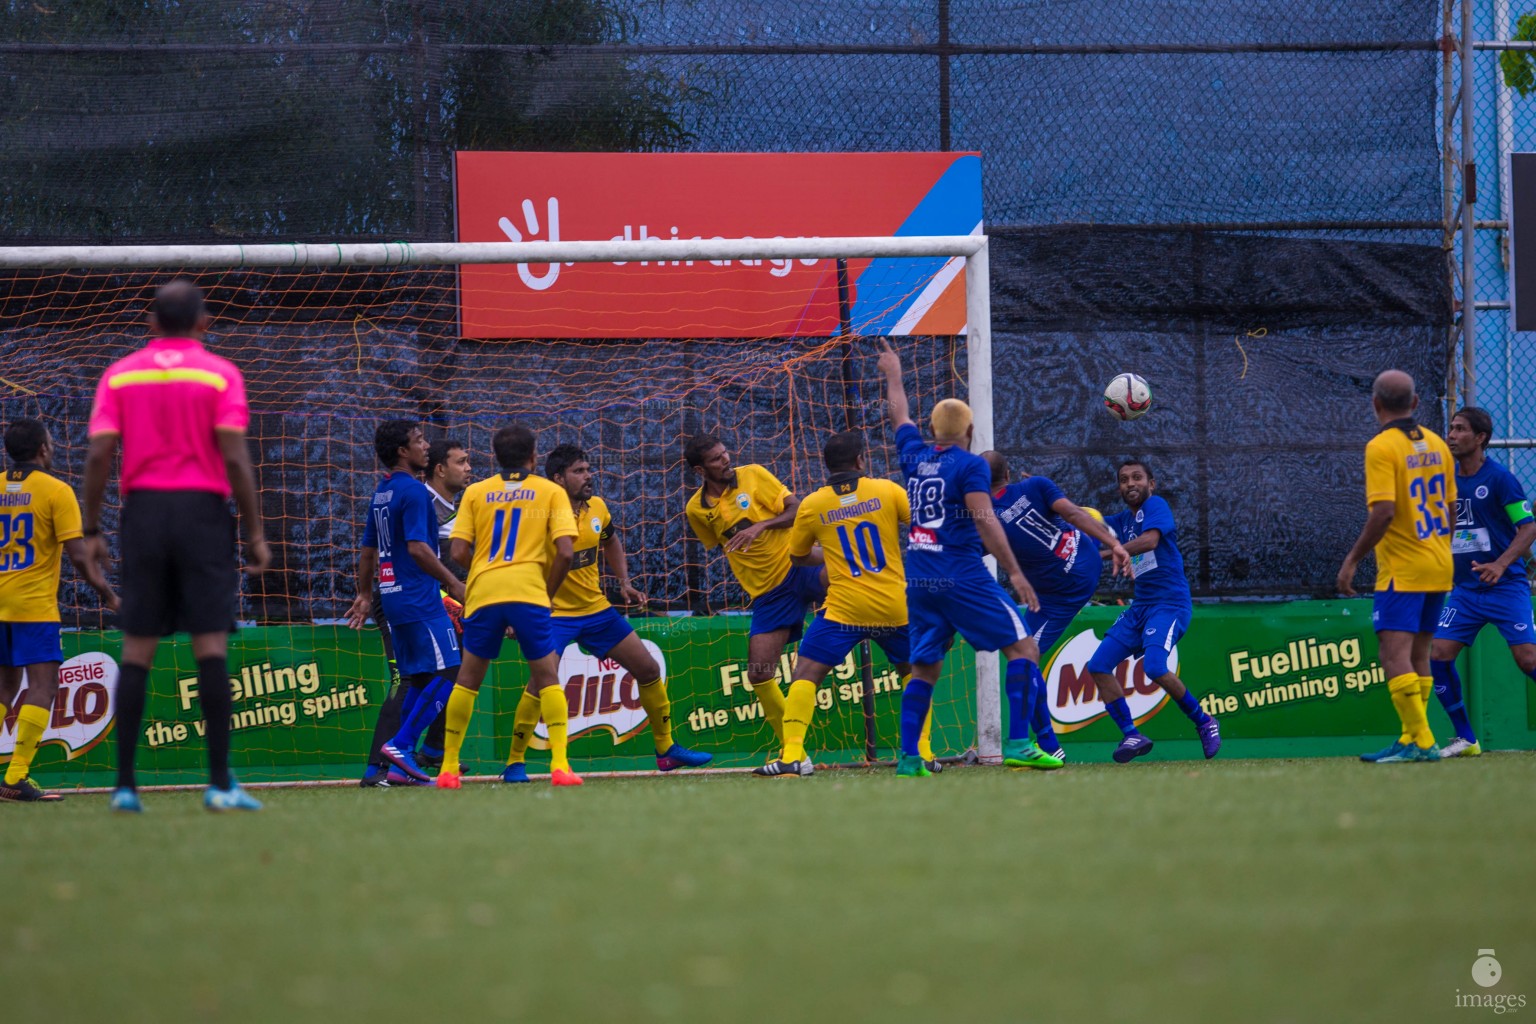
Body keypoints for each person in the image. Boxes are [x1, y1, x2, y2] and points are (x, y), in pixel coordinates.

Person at [81, 280, 270, 812]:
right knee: (209, 646)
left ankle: (123, 787)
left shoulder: (121, 373)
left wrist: (91, 530)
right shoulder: (219, 373)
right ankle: (219, 785)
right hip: (201, 514)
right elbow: (234, 458)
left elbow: (99, 456)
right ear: (203, 323)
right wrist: (254, 532)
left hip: (141, 514)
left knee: (137, 648)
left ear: (151, 321)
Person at [874, 339, 1057, 776]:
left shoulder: (913, 455)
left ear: (933, 431)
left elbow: (899, 413)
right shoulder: (971, 465)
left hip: (919, 579)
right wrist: (1014, 571)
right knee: (1024, 648)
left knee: (924, 668)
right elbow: (984, 520)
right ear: (970, 431)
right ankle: (1018, 743)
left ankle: (909, 758)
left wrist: (894, 373)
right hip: (960, 575)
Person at [499, 444, 711, 781]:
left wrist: (624, 581)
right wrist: (515, 610)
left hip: (597, 611)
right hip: (551, 615)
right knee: (542, 683)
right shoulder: (538, 513)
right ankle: (514, 762)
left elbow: (610, 540)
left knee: (648, 668)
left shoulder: (597, 507)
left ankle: (666, 750)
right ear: (557, 478)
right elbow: (514, 562)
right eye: (579, 471)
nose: (588, 476)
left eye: (588, 469)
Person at [753, 431, 910, 778]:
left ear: (826, 466)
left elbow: (797, 557)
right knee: (914, 675)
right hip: (893, 607)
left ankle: (792, 754)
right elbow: (923, 531)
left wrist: (837, 556)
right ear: (860, 461)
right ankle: (921, 753)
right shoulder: (888, 490)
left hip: (844, 609)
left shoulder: (812, 504)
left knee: (805, 675)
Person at [435, 424, 580, 788]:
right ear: (533, 456)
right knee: (547, 677)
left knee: (467, 680)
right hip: (529, 592)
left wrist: (486, 569)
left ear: (495, 456)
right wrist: (547, 592)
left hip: (484, 593)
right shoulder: (550, 490)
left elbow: (456, 551)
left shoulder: (476, 492)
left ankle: (448, 768)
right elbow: (565, 551)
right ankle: (560, 765)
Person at [1337, 369, 1455, 764]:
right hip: (1439, 563)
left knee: (1393, 653)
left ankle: (1423, 741)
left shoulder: (1382, 447)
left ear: (1375, 404)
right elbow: (1452, 508)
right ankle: (1410, 738)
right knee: (1420, 653)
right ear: (1416, 403)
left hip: (1404, 569)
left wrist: (1353, 559)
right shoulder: (1439, 444)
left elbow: (1384, 511)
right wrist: (1439, 548)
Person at [983, 450, 1131, 760]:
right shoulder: (1036, 484)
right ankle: (1109, 530)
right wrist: (1113, 543)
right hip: (1087, 555)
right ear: (1008, 475)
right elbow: (1075, 514)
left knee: (1025, 659)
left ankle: (1048, 745)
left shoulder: (985, 520)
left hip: (1063, 592)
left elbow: (969, 550)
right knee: (1084, 515)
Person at [684, 433, 825, 755]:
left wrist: (761, 526)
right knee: (759, 673)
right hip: (769, 593)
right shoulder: (695, 509)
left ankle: (906, 624)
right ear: (699, 470)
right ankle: (794, 752)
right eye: (717, 459)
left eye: (725, 453)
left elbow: (796, 509)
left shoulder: (754, 475)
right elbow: (722, 543)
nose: (726, 460)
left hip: (800, 564)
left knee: (852, 580)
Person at [0, 418, 119, 801]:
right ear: (44, 450)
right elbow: (80, 558)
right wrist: (107, 593)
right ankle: (16, 776)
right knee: (43, 686)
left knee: (3, 688)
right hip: (33, 607)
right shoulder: (56, 490)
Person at [345, 421, 466, 784]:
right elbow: (417, 548)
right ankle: (403, 745)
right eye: (419, 440)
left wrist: (366, 594)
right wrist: (454, 584)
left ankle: (398, 765)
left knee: (418, 678)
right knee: (450, 671)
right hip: (419, 598)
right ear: (402, 451)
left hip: (392, 596)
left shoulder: (383, 492)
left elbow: (368, 551)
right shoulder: (414, 492)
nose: (426, 446)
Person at [1085, 460, 1222, 763]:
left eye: (1137, 478)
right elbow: (1088, 527)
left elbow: (1150, 541)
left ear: (1152, 483)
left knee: (1155, 667)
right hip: (1141, 608)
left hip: (1169, 604)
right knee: (1097, 665)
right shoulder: (1121, 521)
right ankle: (1131, 734)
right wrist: (1055, 507)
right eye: (1123, 480)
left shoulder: (1156, 506)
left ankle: (1204, 721)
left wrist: (1111, 552)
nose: (1130, 484)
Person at [1428, 407, 1534, 757]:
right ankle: (1466, 739)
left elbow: (1529, 526)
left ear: (1481, 438)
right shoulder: (1446, 480)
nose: (1452, 435)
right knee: (1438, 655)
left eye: (1460, 429)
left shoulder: (1500, 479)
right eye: (1451, 429)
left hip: (1505, 587)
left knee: (1528, 660)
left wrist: (1502, 564)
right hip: (1465, 592)